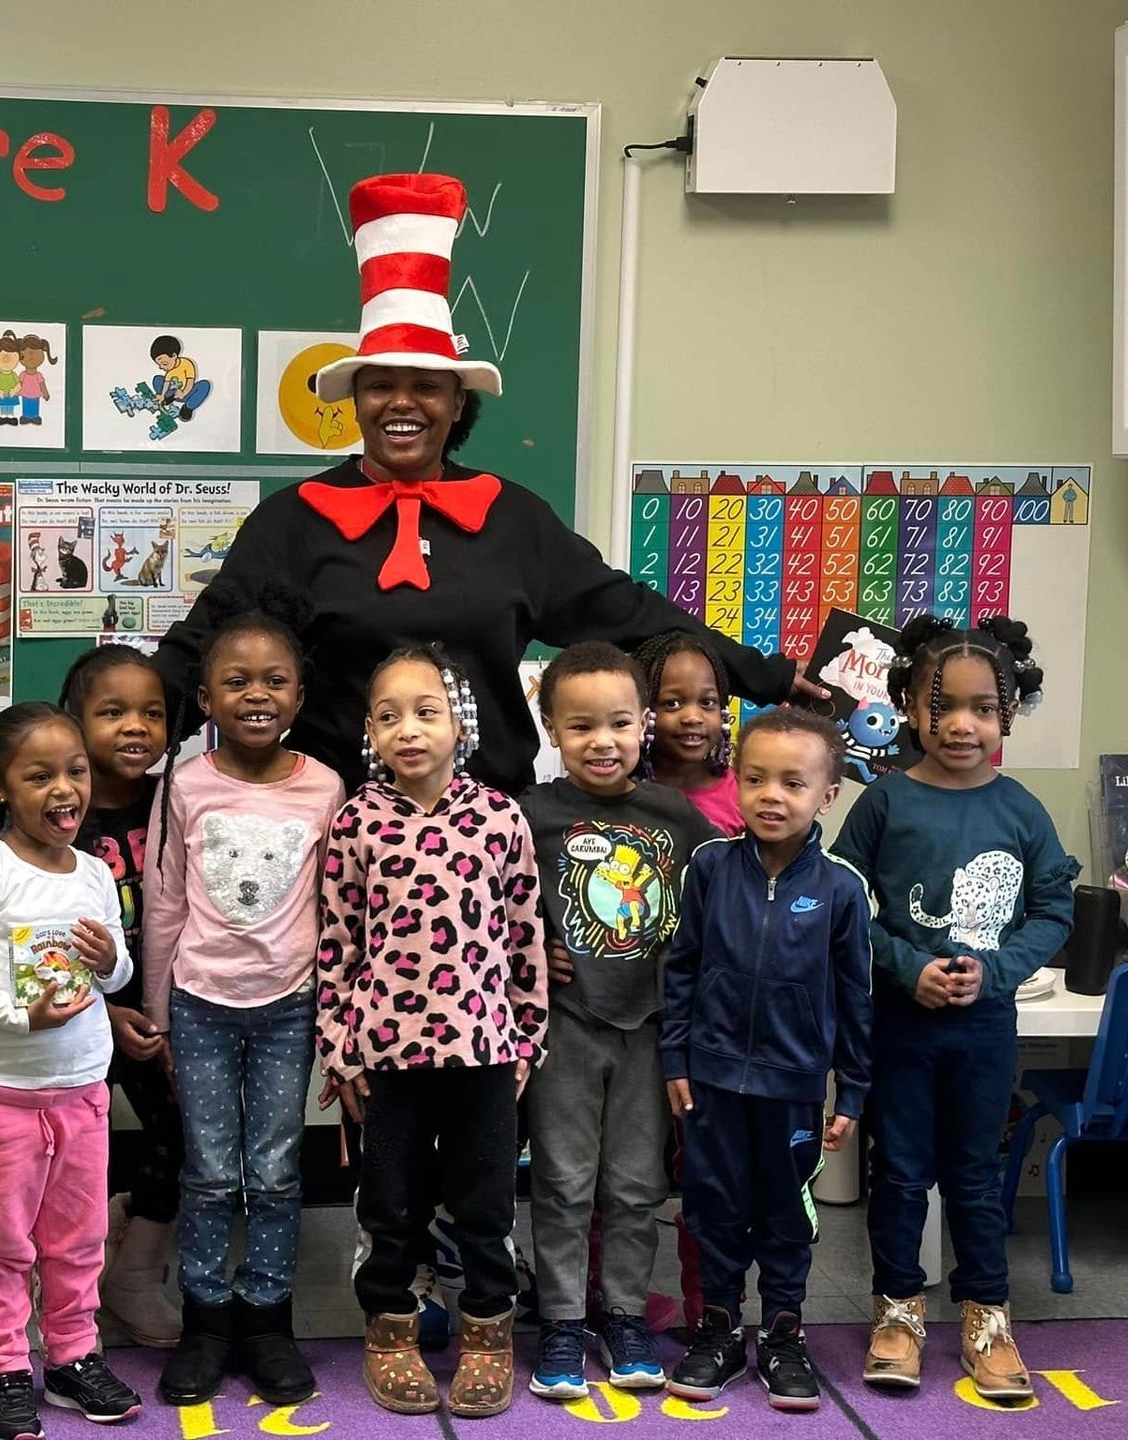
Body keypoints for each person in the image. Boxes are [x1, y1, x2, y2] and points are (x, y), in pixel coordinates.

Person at [152, 172, 811, 801]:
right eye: (380, 385)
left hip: (493, 831)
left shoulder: (513, 519)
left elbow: (633, 615)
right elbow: (204, 647)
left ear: (459, 403)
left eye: (427, 387)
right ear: (354, 400)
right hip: (336, 832)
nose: (400, 404)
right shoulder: (292, 521)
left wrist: (770, 675)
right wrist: (108, 736)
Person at [832, 615, 1077, 1402]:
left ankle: (986, 1316)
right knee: (899, 1174)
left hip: (983, 1030)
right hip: (900, 1025)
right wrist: (907, 966)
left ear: (1010, 713)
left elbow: (1053, 910)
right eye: (944, 705)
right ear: (908, 706)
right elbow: (844, 903)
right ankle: (898, 1311)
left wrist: (998, 970)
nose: (963, 724)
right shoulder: (884, 803)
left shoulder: (1023, 810)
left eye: (983, 706)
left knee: (973, 1176)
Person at [317, 644, 548, 1420]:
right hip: (387, 1054)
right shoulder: (356, 822)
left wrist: (527, 1038)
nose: (407, 729)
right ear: (369, 735)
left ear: (462, 724)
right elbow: (339, 944)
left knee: (484, 1205)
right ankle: (390, 1328)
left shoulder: (498, 816)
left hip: (485, 1051)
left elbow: (524, 936)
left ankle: (488, 1332)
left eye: (427, 712)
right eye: (388, 716)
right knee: (390, 1204)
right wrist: (340, 1046)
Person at [143, 584, 345, 1407]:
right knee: (210, 1170)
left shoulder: (325, 788)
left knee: (273, 1169)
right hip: (198, 1004)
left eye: (273, 681)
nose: (255, 695)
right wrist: (156, 1016)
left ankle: (266, 1319)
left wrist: (336, 1024)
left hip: (290, 1005)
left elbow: (338, 912)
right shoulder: (184, 785)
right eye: (236, 682)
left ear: (299, 695)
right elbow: (163, 904)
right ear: (206, 698)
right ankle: (205, 1323)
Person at [0, 703, 144, 1440]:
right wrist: (16, 1016)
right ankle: (5, 1368)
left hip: (82, 1090)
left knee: (78, 1240)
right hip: (2, 1097)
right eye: (40, 775)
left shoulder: (93, 872)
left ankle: (73, 1358)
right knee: (2, 1243)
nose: (65, 789)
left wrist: (109, 960)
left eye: (76, 771)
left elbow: (118, 976)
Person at [519, 643, 715, 1403]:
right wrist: (531, 951)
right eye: (581, 726)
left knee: (635, 1185)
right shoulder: (531, 816)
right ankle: (564, 1320)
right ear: (551, 729)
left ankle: (625, 1314)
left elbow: (709, 919)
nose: (602, 741)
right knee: (564, 1182)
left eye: (620, 723)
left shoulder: (677, 818)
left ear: (646, 726)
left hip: (651, 1030)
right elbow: (496, 915)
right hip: (566, 1026)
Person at [661, 709, 871, 1413]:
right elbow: (682, 970)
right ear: (736, 782)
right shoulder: (711, 868)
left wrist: (852, 1092)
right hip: (712, 1078)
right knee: (713, 1207)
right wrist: (675, 1058)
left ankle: (783, 1333)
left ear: (827, 795)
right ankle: (718, 1330)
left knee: (785, 1213)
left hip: (794, 1087)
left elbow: (855, 995)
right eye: (754, 779)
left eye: (792, 782)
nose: (771, 796)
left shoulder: (842, 889)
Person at [57, 645, 184, 1352]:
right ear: (73, 722)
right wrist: (100, 1009)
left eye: (152, 713)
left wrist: (164, 1016)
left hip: (158, 1011)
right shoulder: (55, 809)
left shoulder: (178, 797)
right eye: (112, 713)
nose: (135, 727)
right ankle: (67, 1289)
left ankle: (132, 1279)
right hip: (67, 1016)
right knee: (69, 1152)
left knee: (183, 1136)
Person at [635, 631, 744, 837]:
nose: (693, 717)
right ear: (643, 712)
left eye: (707, 702)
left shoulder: (742, 793)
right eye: (672, 704)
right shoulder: (623, 789)